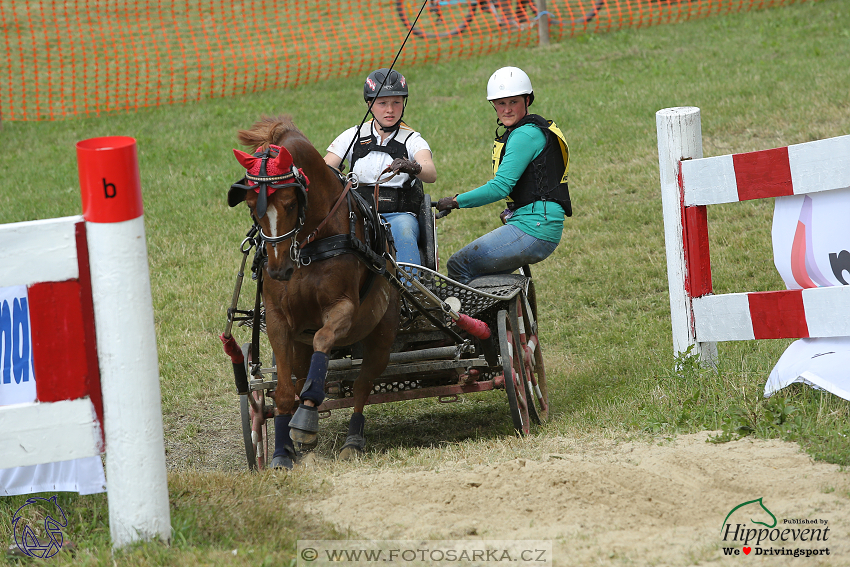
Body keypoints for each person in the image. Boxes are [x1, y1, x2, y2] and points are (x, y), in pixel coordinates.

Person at [436, 66, 571, 285]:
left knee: (459, 265)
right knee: (482, 273)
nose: (506, 110)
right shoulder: (531, 129)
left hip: (535, 228)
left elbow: (500, 187)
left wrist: (456, 201)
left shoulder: (525, 134)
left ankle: (467, 320)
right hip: (540, 224)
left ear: (527, 100)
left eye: (513, 102)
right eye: (500, 103)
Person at [324, 68, 437, 267]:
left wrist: (413, 167)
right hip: (357, 213)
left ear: (404, 103)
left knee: (404, 232)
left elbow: (431, 173)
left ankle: (409, 289)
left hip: (400, 215)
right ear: (370, 105)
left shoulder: (412, 139)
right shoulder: (353, 135)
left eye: (396, 102)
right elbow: (324, 170)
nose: (390, 110)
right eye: (382, 103)